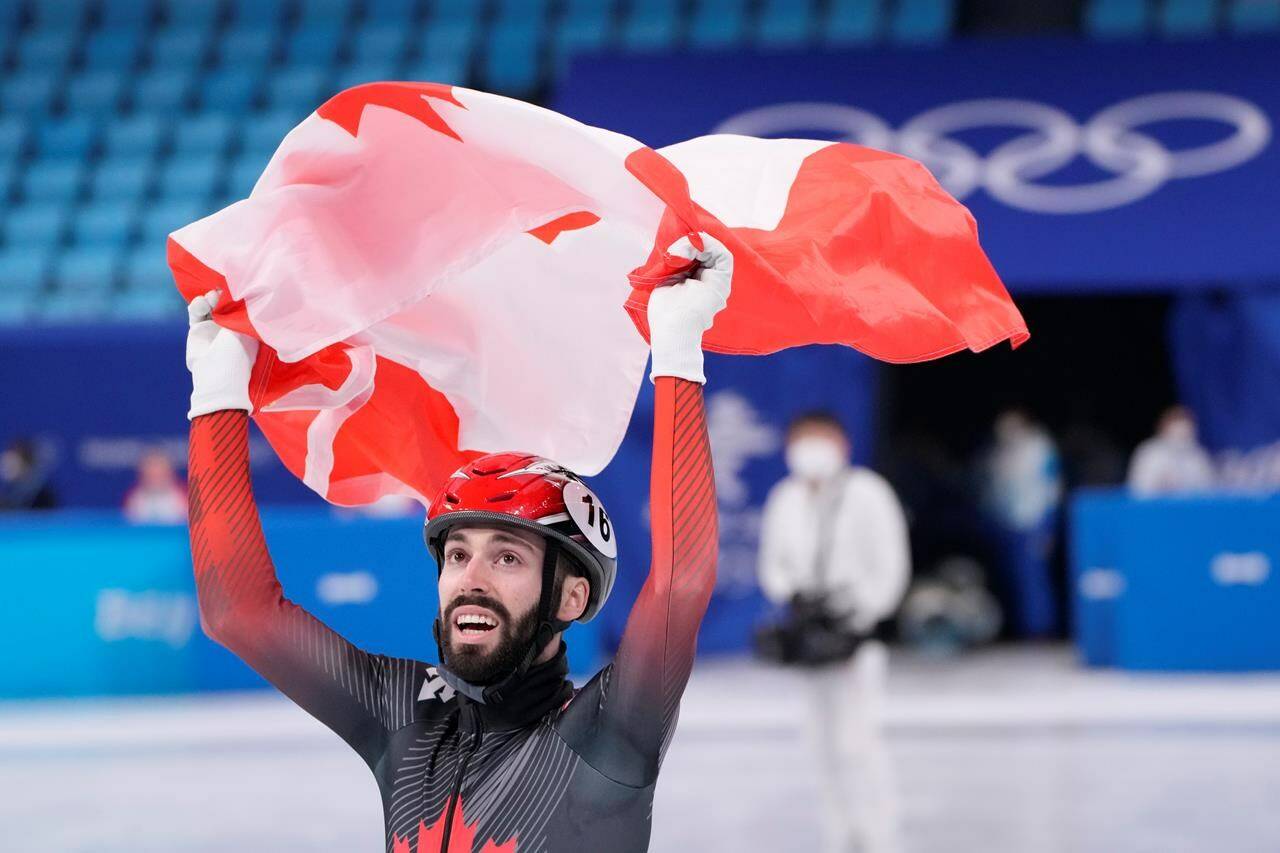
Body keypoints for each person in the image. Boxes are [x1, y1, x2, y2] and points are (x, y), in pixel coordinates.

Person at [184, 233, 730, 853]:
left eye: (508, 556)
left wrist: (679, 353)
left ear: (572, 597)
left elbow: (679, 584)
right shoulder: (407, 717)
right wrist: (219, 394)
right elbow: (238, 613)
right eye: (457, 553)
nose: (472, 576)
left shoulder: (605, 737)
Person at [757, 411, 911, 853]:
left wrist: (858, 612)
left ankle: (879, 835)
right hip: (807, 637)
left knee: (858, 742)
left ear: (841, 444)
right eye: (802, 440)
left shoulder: (868, 493)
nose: (810, 449)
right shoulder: (784, 497)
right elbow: (772, 565)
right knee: (820, 743)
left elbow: (890, 565)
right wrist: (796, 595)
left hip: (855, 638)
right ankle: (838, 835)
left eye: (819, 439)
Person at [979, 408, 1063, 638]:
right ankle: (1015, 627)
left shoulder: (1041, 449)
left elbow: (1052, 490)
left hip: (1033, 522)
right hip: (1006, 524)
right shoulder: (999, 452)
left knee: (1033, 580)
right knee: (1010, 579)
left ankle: (1040, 630)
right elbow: (989, 487)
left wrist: (1047, 527)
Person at [1127, 405, 1215, 496]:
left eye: (1186, 434)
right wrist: (1160, 484)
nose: (1183, 438)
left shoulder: (1198, 454)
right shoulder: (1149, 452)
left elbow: (1208, 488)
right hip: (1156, 507)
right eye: (1178, 434)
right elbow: (1137, 488)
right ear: (1164, 430)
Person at [123, 449, 188, 524]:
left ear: (170, 474)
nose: (155, 480)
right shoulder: (134, 500)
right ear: (142, 475)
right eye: (151, 474)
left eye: (159, 474)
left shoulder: (182, 500)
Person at [0, 438, 57, 511]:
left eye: (11, 464)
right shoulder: (13, 490)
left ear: (25, 463)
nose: (5, 467)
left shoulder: (40, 494)